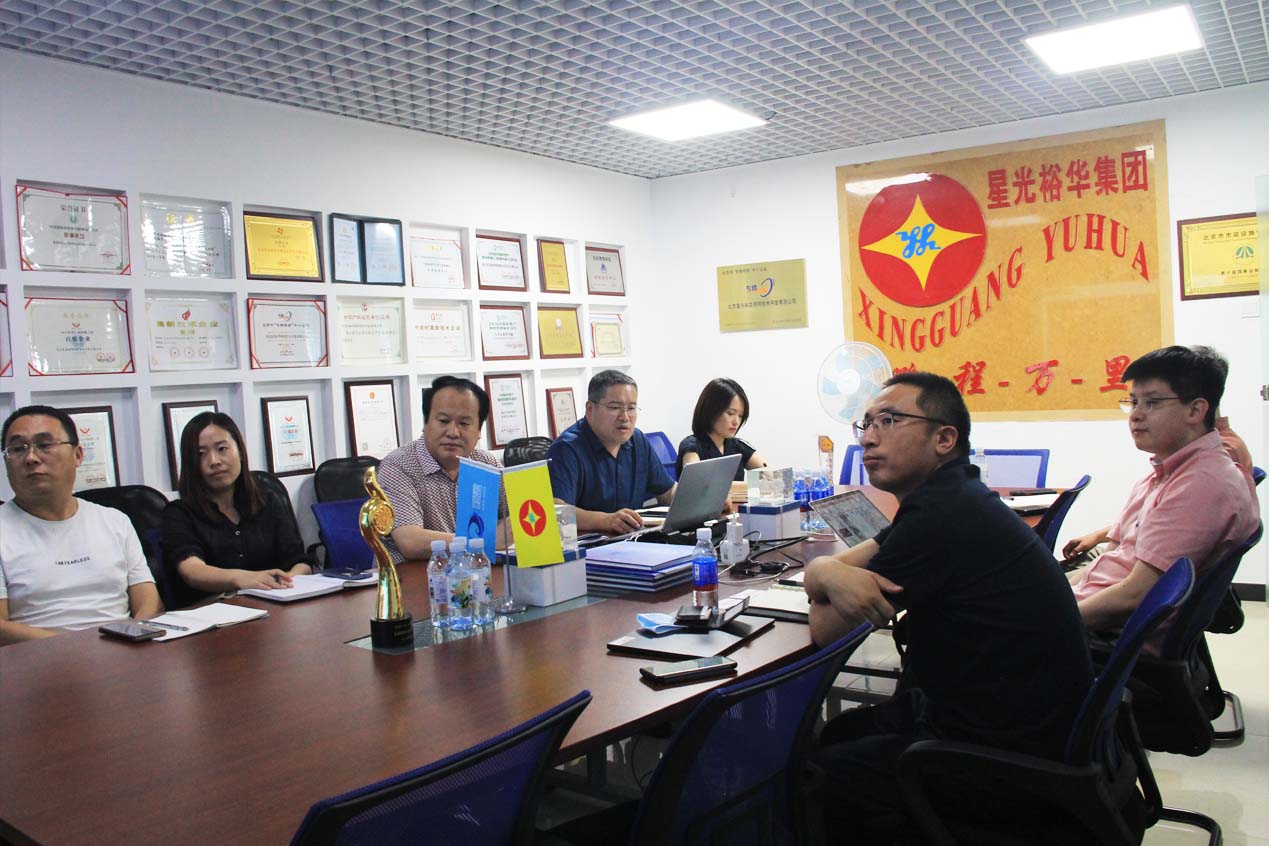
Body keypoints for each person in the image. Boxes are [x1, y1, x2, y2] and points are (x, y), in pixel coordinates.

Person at [803, 373, 1092, 842]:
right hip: (1017, 721)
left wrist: (823, 573)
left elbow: (826, 630)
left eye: (889, 421)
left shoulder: (942, 517)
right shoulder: (952, 496)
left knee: (818, 775)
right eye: (866, 423)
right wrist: (825, 572)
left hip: (1003, 758)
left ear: (944, 439)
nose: (869, 437)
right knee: (839, 734)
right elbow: (850, 564)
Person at [1064, 346, 1258, 633]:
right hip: (1091, 609)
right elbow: (1110, 560)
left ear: (1195, 410)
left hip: (1102, 635)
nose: (1135, 415)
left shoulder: (1201, 485)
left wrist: (1047, 623)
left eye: (1151, 403)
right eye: (1133, 402)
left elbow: (1134, 596)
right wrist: (1050, 594)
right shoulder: (1166, 473)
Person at [1, 405, 162, 644]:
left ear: (78, 455)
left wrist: (135, 637)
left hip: (124, 650)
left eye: (44, 445)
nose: (31, 458)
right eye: (17, 448)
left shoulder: (114, 520)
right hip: (38, 657)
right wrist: (80, 648)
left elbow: (149, 601)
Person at [162, 412, 312, 601]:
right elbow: (192, 570)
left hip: (277, 603)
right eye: (201, 454)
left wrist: (287, 582)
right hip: (215, 611)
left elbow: (300, 561)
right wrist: (245, 579)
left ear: (240, 451)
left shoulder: (268, 500)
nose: (214, 461)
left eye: (222, 449)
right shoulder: (178, 514)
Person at [377, 375, 507, 563]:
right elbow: (410, 541)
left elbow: (518, 515)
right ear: (426, 424)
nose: (453, 432)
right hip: (414, 576)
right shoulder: (398, 466)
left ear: (479, 431)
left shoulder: (487, 465)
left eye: (464, 423)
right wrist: (485, 541)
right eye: (444, 421)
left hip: (474, 573)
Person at [547, 370, 676, 535]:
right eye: (615, 407)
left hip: (634, 540)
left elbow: (668, 492)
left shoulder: (637, 440)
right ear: (590, 409)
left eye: (631, 408)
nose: (625, 417)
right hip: (591, 545)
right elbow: (557, 511)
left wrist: (701, 501)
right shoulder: (567, 449)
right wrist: (606, 521)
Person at [676, 377, 767, 480]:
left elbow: (771, 476)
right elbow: (695, 482)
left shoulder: (737, 446)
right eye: (730, 413)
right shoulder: (692, 445)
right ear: (711, 411)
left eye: (740, 416)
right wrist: (744, 487)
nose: (736, 421)